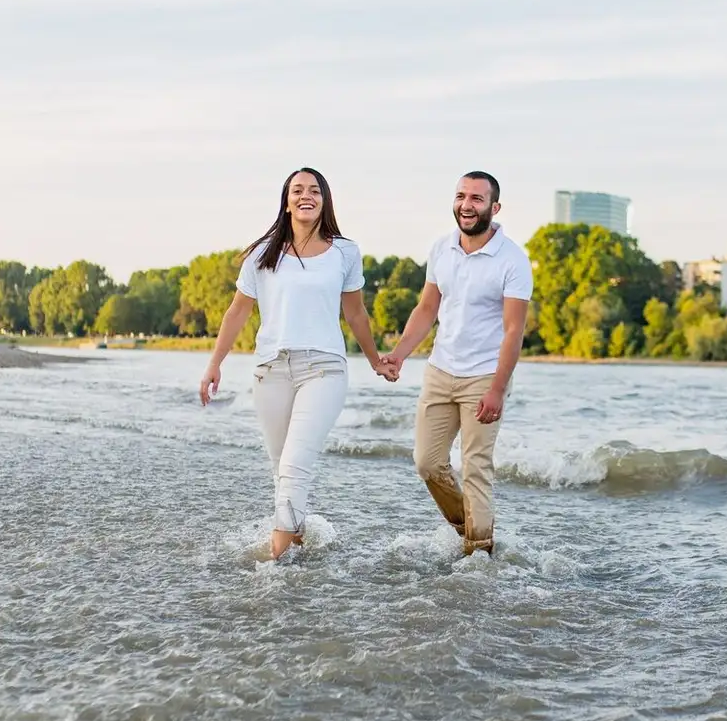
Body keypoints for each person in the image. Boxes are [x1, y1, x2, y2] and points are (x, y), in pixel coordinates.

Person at [200, 168, 387, 560]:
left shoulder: (345, 252)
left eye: (315, 190)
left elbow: (355, 315)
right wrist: (214, 363)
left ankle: (275, 566)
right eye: (298, 190)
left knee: (295, 467)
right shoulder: (261, 254)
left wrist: (375, 360)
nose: (307, 195)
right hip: (270, 371)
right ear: (286, 202)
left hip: (324, 368)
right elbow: (237, 313)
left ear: (325, 200)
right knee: (281, 469)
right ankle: (296, 549)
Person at [381, 171, 532, 556]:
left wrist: (498, 388)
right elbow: (427, 308)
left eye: (477, 199)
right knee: (427, 463)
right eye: (461, 196)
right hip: (440, 369)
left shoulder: (513, 259)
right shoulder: (441, 248)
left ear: (494, 208)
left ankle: (478, 553)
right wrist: (399, 353)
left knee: (476, 466)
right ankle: (470, 527)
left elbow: (514, 331)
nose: (467, 204)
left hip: (484, 376)